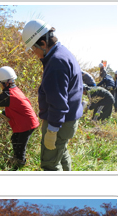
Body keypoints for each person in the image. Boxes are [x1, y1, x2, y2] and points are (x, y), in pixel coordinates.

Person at [21, 19, 83, 171]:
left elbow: (58, 102)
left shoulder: (56, 62)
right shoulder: (62, 53)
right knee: (61, 153)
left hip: (59, 122)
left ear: (43, 43)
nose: (34, 54)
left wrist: (52, 130)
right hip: (67, 120)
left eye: (34, 49)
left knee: (50, 164)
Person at [0, 66, 39, 166]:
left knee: (20, 145)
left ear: (4, 83)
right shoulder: (15, 90)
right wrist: (3, 112)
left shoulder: (8, 95)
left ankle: (20, 163)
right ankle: (17, 159)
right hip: (27, 121)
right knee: (15, 139)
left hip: (27, 124)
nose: (0, 87)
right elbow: (15, 107)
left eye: (0, 84)